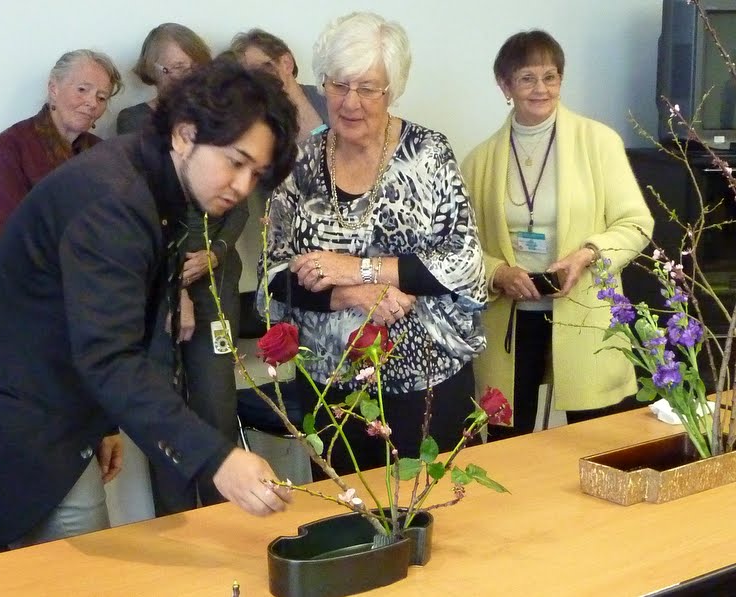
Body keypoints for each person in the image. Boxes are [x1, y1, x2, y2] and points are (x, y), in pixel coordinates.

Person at [0, 57, 299, 551]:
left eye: (255, 173)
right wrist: (218, 459)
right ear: (185, 134)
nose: (242, 186)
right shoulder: (113, 199)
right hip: (9, 412)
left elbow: (114, 322)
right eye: (235, 161)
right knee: (66, 569)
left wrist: (103, 421)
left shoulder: (146, 174)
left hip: (49, 404)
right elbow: (109, 354)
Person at [258, 12, 487, 477]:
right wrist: (347, 293)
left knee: (434, 515)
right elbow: (271, 279)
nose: (351, 102)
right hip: (329, 386)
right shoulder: (298, 165)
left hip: (427, 379)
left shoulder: (428, 154)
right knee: (348, 520)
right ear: (321, 85)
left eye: (368, 88)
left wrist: (356, 269)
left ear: (392, 89)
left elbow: (464, 264)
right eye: (339, 85)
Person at [461, 30, 655, 439]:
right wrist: (498, 272)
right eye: (527, 77)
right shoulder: (478, 160)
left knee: (594, 442)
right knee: (507, 446)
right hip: (509, 319)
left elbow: (636, 223)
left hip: (584, 310)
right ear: (505, 84)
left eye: (551, 77)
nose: (541, 88)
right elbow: (462, 247)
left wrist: (588, 253)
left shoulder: (599, 142)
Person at [118, 24, 247, 515]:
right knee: (163, 412)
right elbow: (146, 206)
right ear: (150, 73)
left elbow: (240, 204)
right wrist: (174, 282)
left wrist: (214, 253)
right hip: (158, 287)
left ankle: (223, 521)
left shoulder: (224, 118)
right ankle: (174, 525)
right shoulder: (134, 121)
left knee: (216, 406)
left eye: (183, 66)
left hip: (218, 281)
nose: (173, 77)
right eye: (163, 68)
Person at [0, 49, 122, 251]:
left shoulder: (102, 152)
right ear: (53, 88)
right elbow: (7, 239)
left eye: (102, 97)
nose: (92, 103)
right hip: (24, 277)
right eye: (82, 89)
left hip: (89, 274)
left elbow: (118, 223)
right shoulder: (10, 147)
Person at [230, 28, 329, 142]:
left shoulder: (325, 97)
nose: (256, 79)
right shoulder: (254, 118)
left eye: (262, 69)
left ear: (287, 63)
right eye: (247, 76)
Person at [117, 22, 211, 134]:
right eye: (178, 67)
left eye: (196, 66)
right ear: (152, 69)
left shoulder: (215, 112)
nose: (190, 75)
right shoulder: (135, 119)